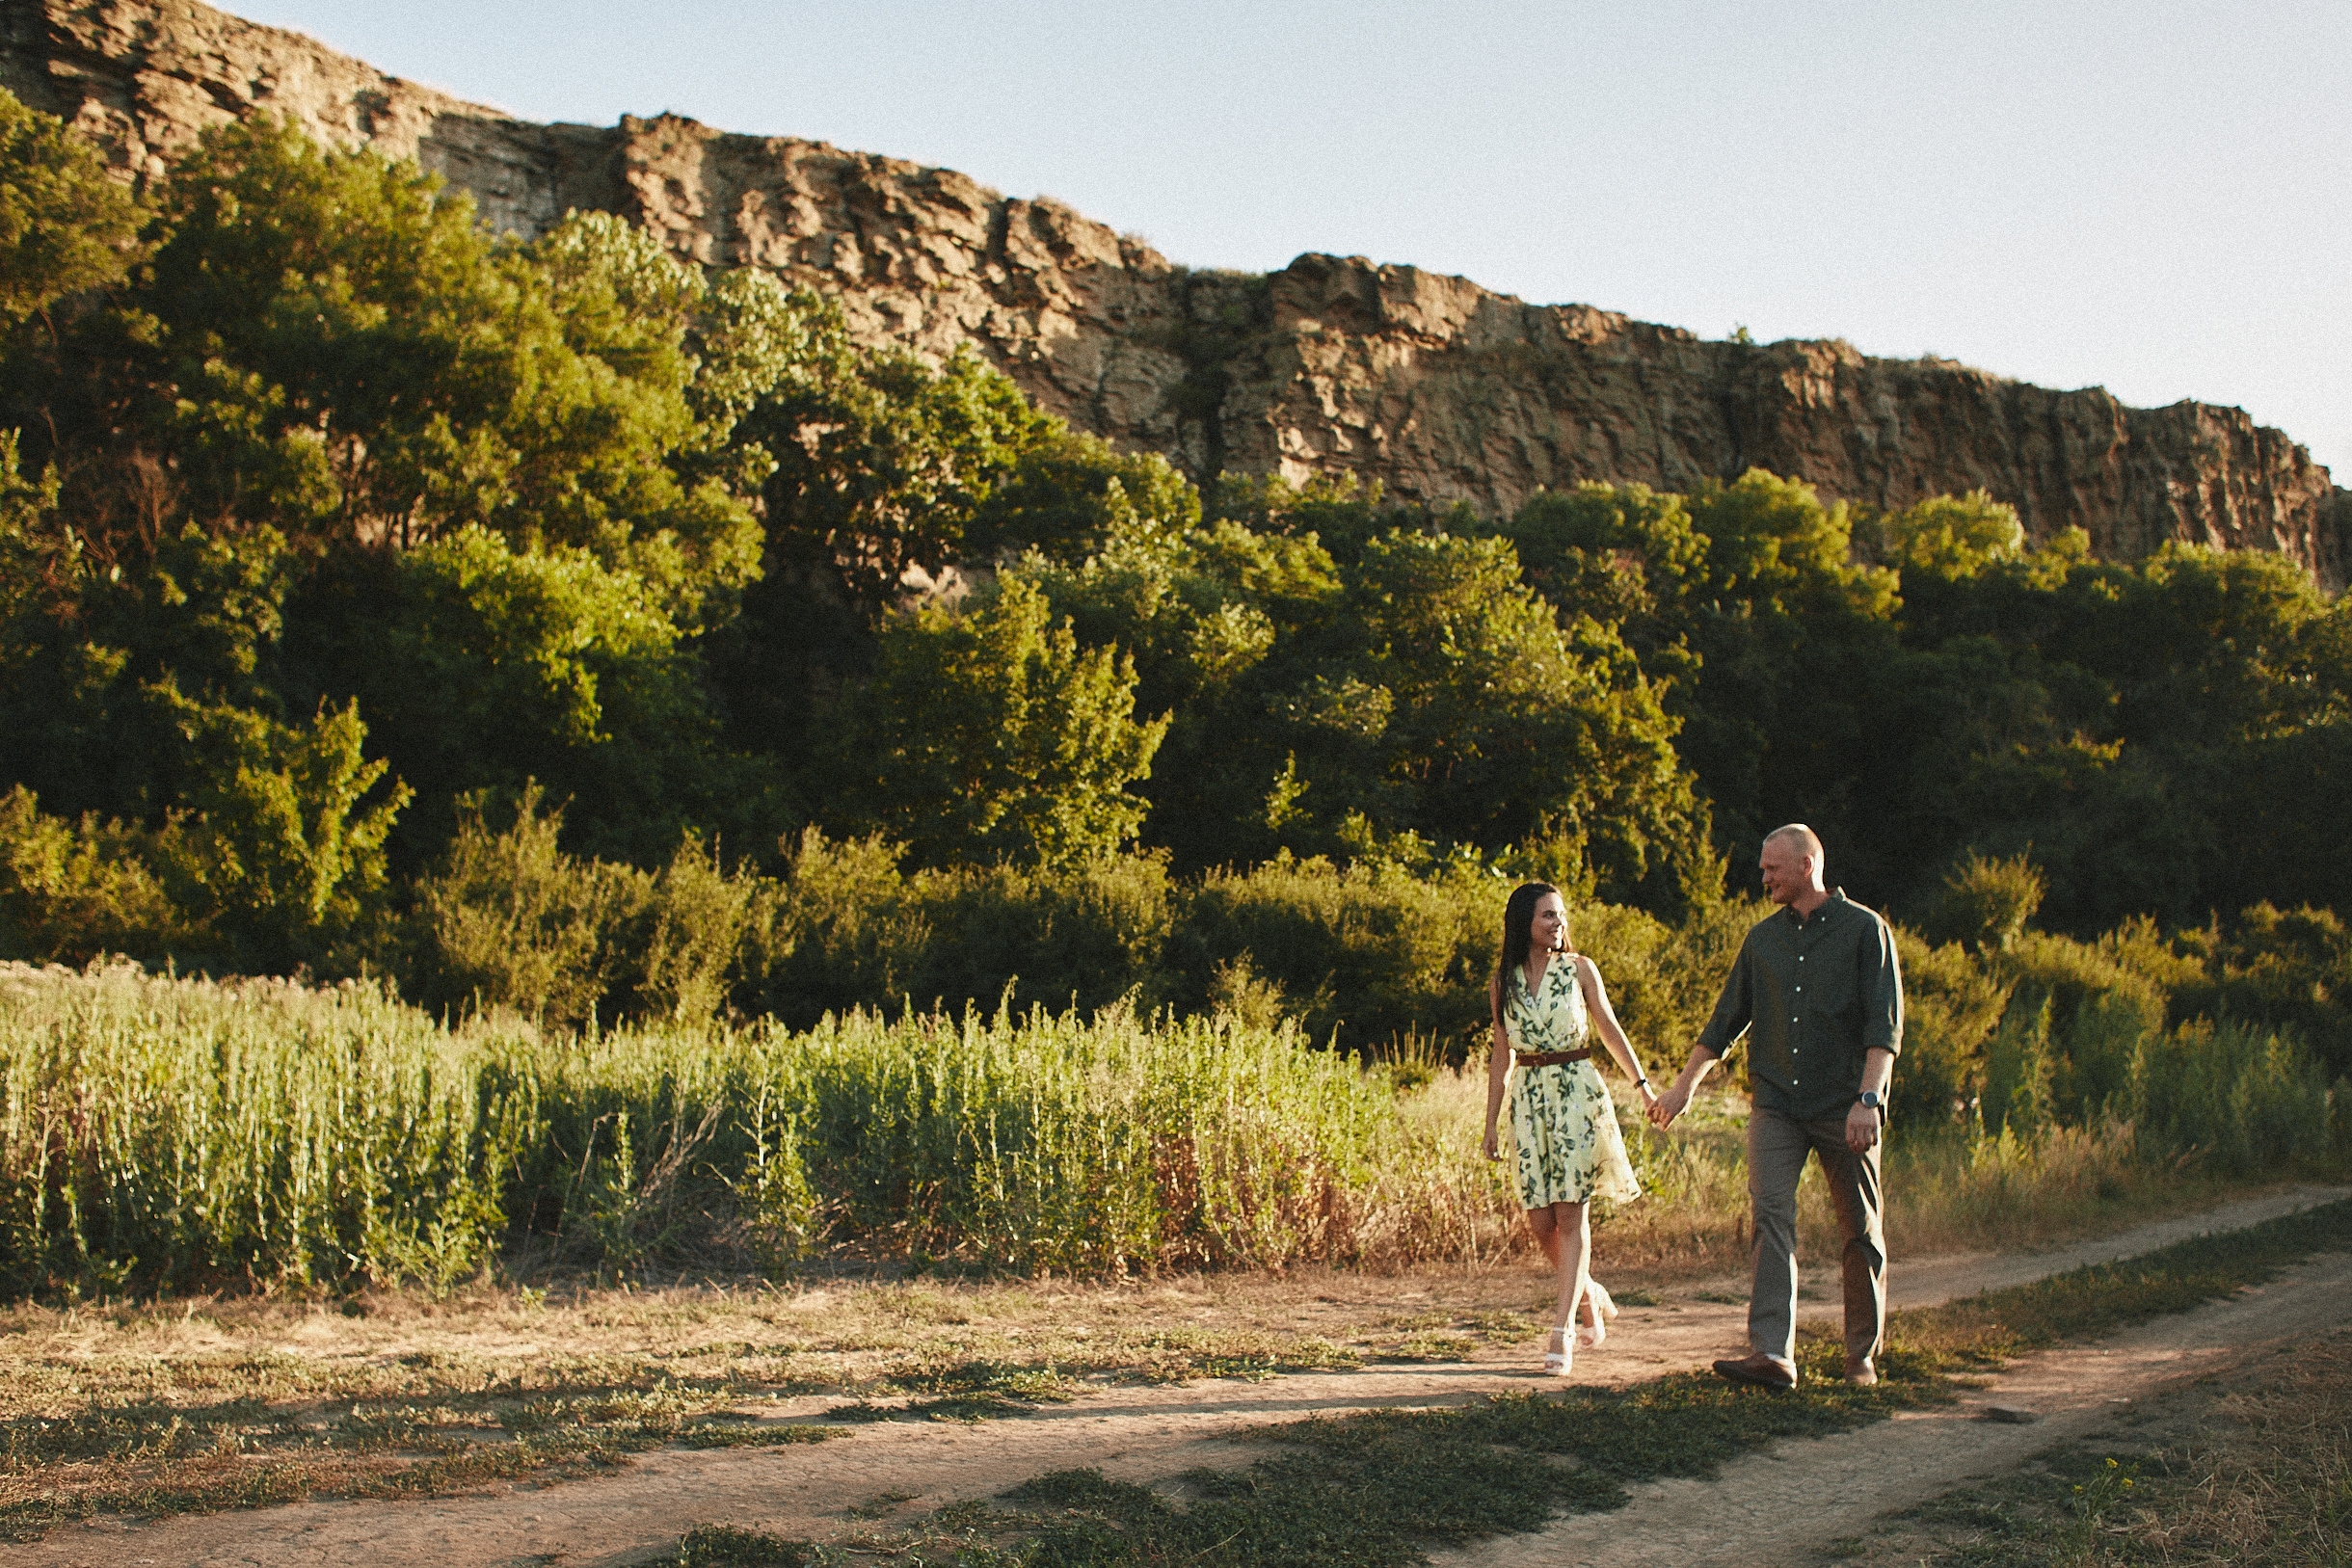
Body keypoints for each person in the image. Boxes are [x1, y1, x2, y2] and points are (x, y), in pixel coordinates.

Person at [1647, 824, 1903, 1389]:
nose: (1763, 878)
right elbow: (1725, 1022)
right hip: (1777, 1105)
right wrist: (1684, 1086)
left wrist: (1868, 1100)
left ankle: (1860, 1355)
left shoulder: (1866, 931)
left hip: (1845, 1106)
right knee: (1770, 1217)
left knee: (1859, 1229)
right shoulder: (1762, 940)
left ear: (1807, 864)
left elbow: (1883, 1027)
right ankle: (1772, 1354)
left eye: (1772, 869)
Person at [1482, 881, 1659, 1376]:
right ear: (1524, 924)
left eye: (1560, 916)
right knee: (1540, 1223)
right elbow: (1501, 1055)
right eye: (1547, 917)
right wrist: (1490, 1122)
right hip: (1530, 1100)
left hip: (1577, 1095)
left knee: (1571, 1216)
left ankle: (1561, 1331)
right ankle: (1590, 1291)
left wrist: (1641, 1085)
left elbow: (1609, 1027)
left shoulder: (1580, 970)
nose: (1558, 924)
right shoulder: (1504, 983)